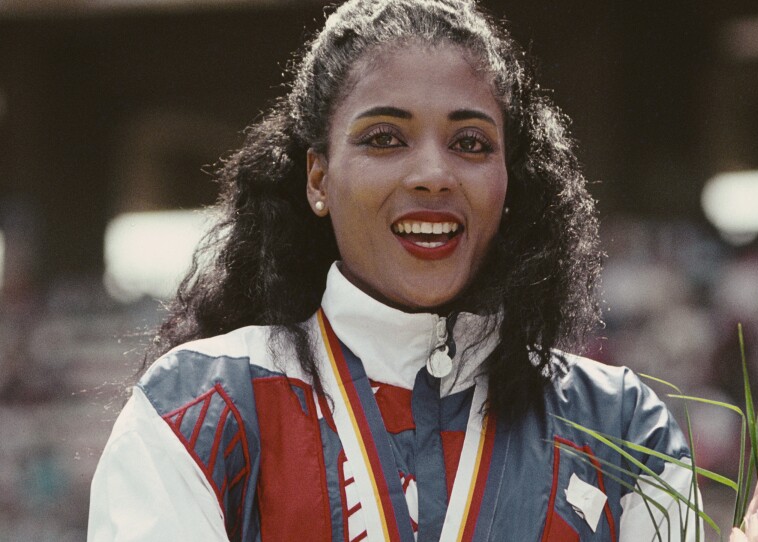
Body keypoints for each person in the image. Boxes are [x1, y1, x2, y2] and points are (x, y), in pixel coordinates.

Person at [88, 0, 700, 540]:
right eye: (384, 138)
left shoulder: (622, 429)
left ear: (512, 182)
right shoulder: (198, 409)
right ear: (319, 179)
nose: (433, 173)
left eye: (471, 143)